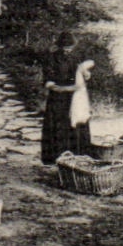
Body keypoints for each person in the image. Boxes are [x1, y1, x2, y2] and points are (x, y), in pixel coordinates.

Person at [40, 33, 87, 164]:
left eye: (70, 47)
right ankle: (55, 160)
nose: (68, 50)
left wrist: (85, 74)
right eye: (65, 47)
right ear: (59, 46)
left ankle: (76, 158)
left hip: (73, 99)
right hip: (57, 99)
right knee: (58, 129)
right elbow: (49, 84)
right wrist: (68, 88)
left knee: (75, 126)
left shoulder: (74, 57)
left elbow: (80, 73)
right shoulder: (51, 59)